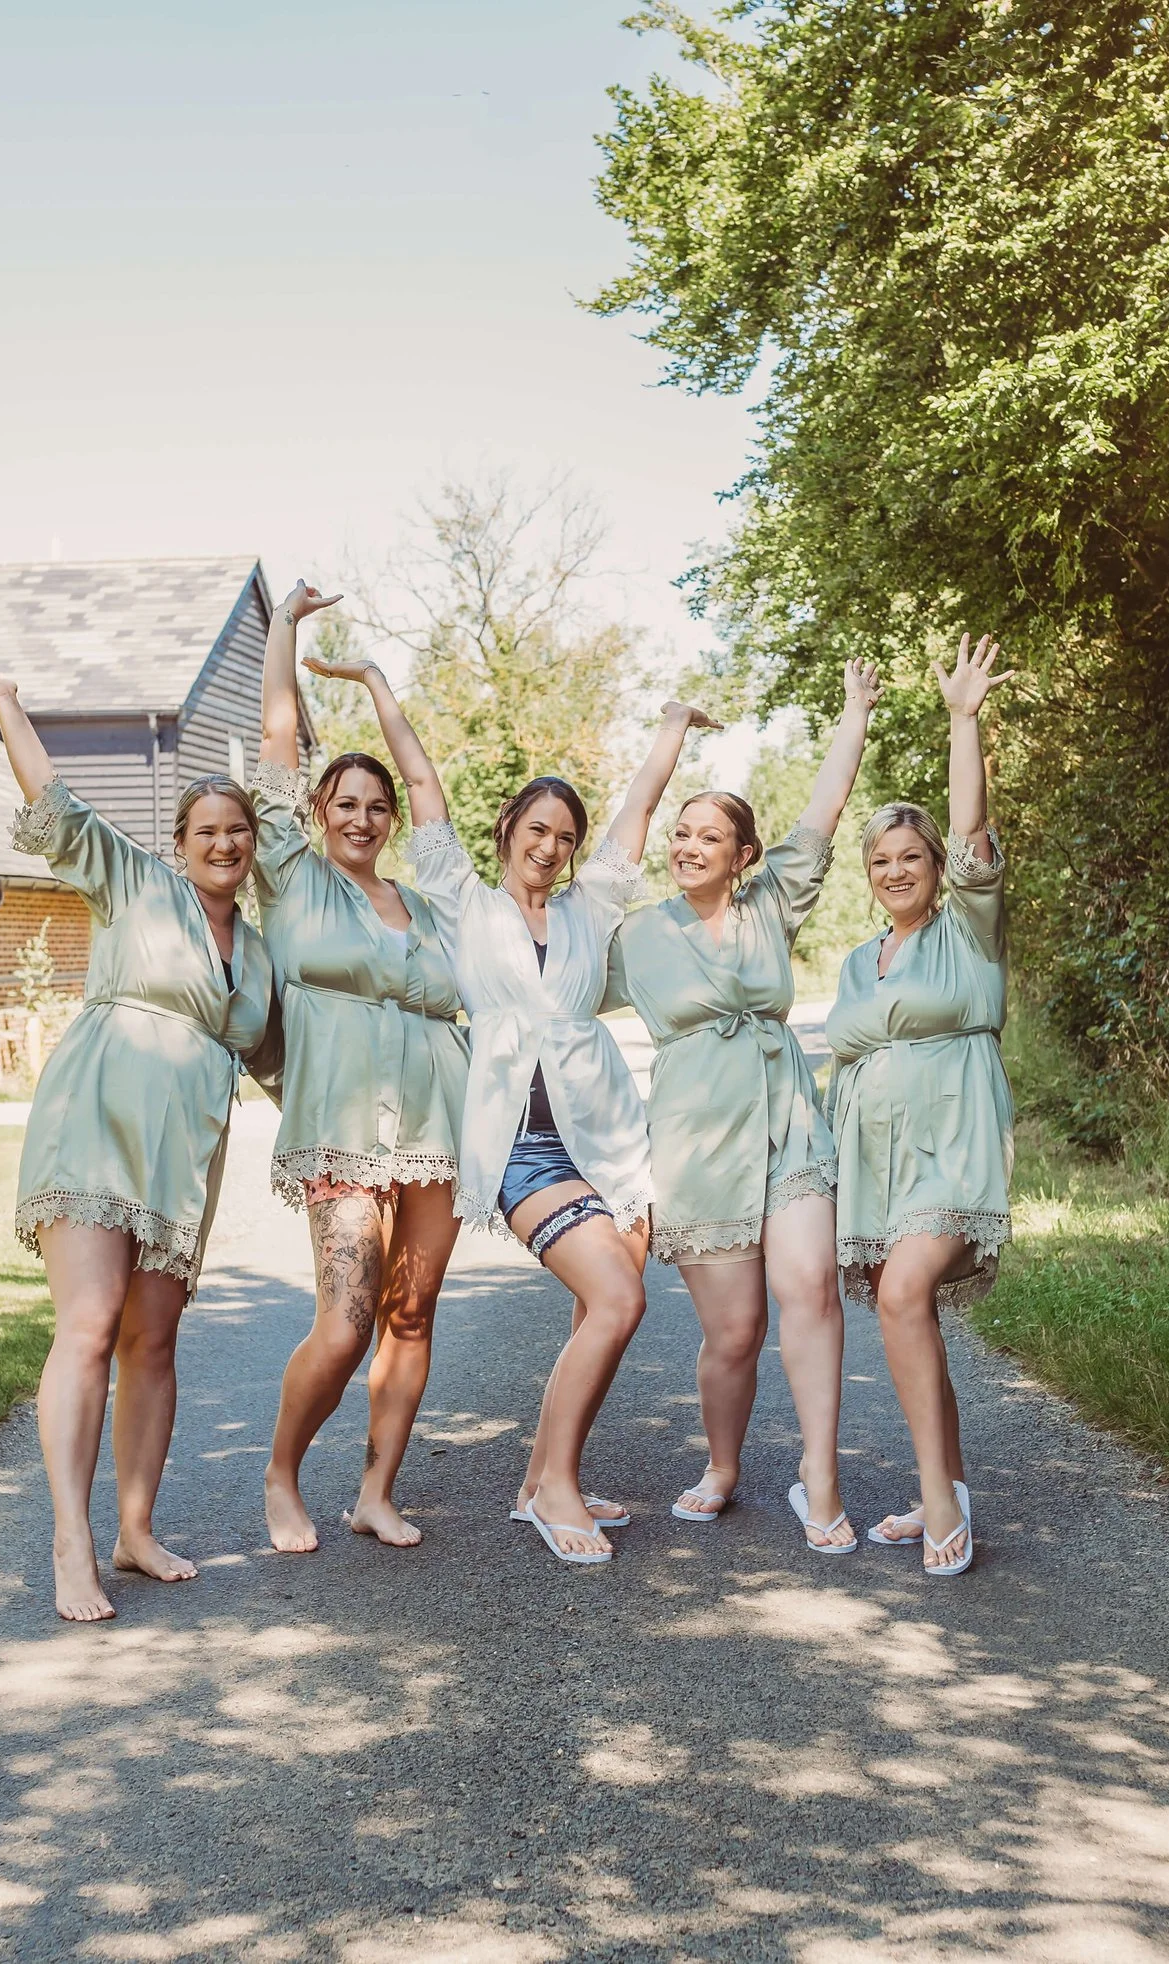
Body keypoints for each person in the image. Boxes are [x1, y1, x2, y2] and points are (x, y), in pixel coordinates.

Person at [317, 668, 716, 1563]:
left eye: (565, 837)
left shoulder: (588, 909)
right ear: (508, 831)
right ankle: (557, 1492)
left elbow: (637, 813)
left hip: (610, 1139)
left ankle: (542, 1477)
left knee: (598, 1315)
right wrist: (379, 686)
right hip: (521, 1148)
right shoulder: (462, 899)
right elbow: (420, 782)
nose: (551, 846)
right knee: (618, 1298)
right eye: (538, 828)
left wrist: (673, 729)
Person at [0, 658, 276, 1619]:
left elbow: (284, 1058)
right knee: (90, 1327)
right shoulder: (133, 884)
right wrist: (8, 704)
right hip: (96, 1122)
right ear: (178, 846)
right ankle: (71, 1538)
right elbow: (52, 800)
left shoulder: (257, 952)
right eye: (206, 831)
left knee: (155, 1338)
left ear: (253, 845)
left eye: (237, 830)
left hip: (184, 1156)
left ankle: (137, 1528)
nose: (223, 843)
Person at [604, 662, 880, 1552]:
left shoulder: (772, 903)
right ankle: (722, 1466)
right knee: (735, 1329)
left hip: (788, 1123)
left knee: (810, 1293)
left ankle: (820, 1476)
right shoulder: (636, 936)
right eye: (680, 833)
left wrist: (854, 713)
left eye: (707, 836)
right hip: (696, 1144)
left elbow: (824, 811)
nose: (687, 845)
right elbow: (551, 991)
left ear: (742, 856)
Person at [250, 583, 470, 1553]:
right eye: (346, 802)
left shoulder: (425, 907)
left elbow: (432, 794)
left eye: (376, 806)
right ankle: (282, 1474)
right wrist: (287, 632)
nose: (366, 816)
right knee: (344, 1323)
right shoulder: (294, 880)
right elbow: (274, 748)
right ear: (317, 810)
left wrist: (382, 687)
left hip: (433, 1130)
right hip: (340, 1126)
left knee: (409, 1317)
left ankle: (376, 1492)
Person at [825, 632, 1017, 1577]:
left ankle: (942, 1503)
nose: (896, 870)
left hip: (955, 1140)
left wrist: (962, 720)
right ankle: (944, 1485)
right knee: (915, 1318)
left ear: (939, 866)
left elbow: (974, 826)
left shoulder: (968, 933)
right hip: (878, 1159)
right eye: (880, 861)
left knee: (905, 1294)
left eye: (912, 855)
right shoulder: (860, 962)